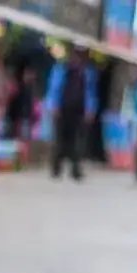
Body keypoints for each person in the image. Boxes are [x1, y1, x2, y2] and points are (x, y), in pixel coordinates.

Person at [44, 45, 98, 181]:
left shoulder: (88, 72)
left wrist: (90, 109)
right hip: (62, 109)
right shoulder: (61, 68)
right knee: (59, 139)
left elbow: (91, 92)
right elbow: (54, 88)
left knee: (78, 141)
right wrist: (53, 106)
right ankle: (56, 168)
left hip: (79, 110)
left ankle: (76, 169)